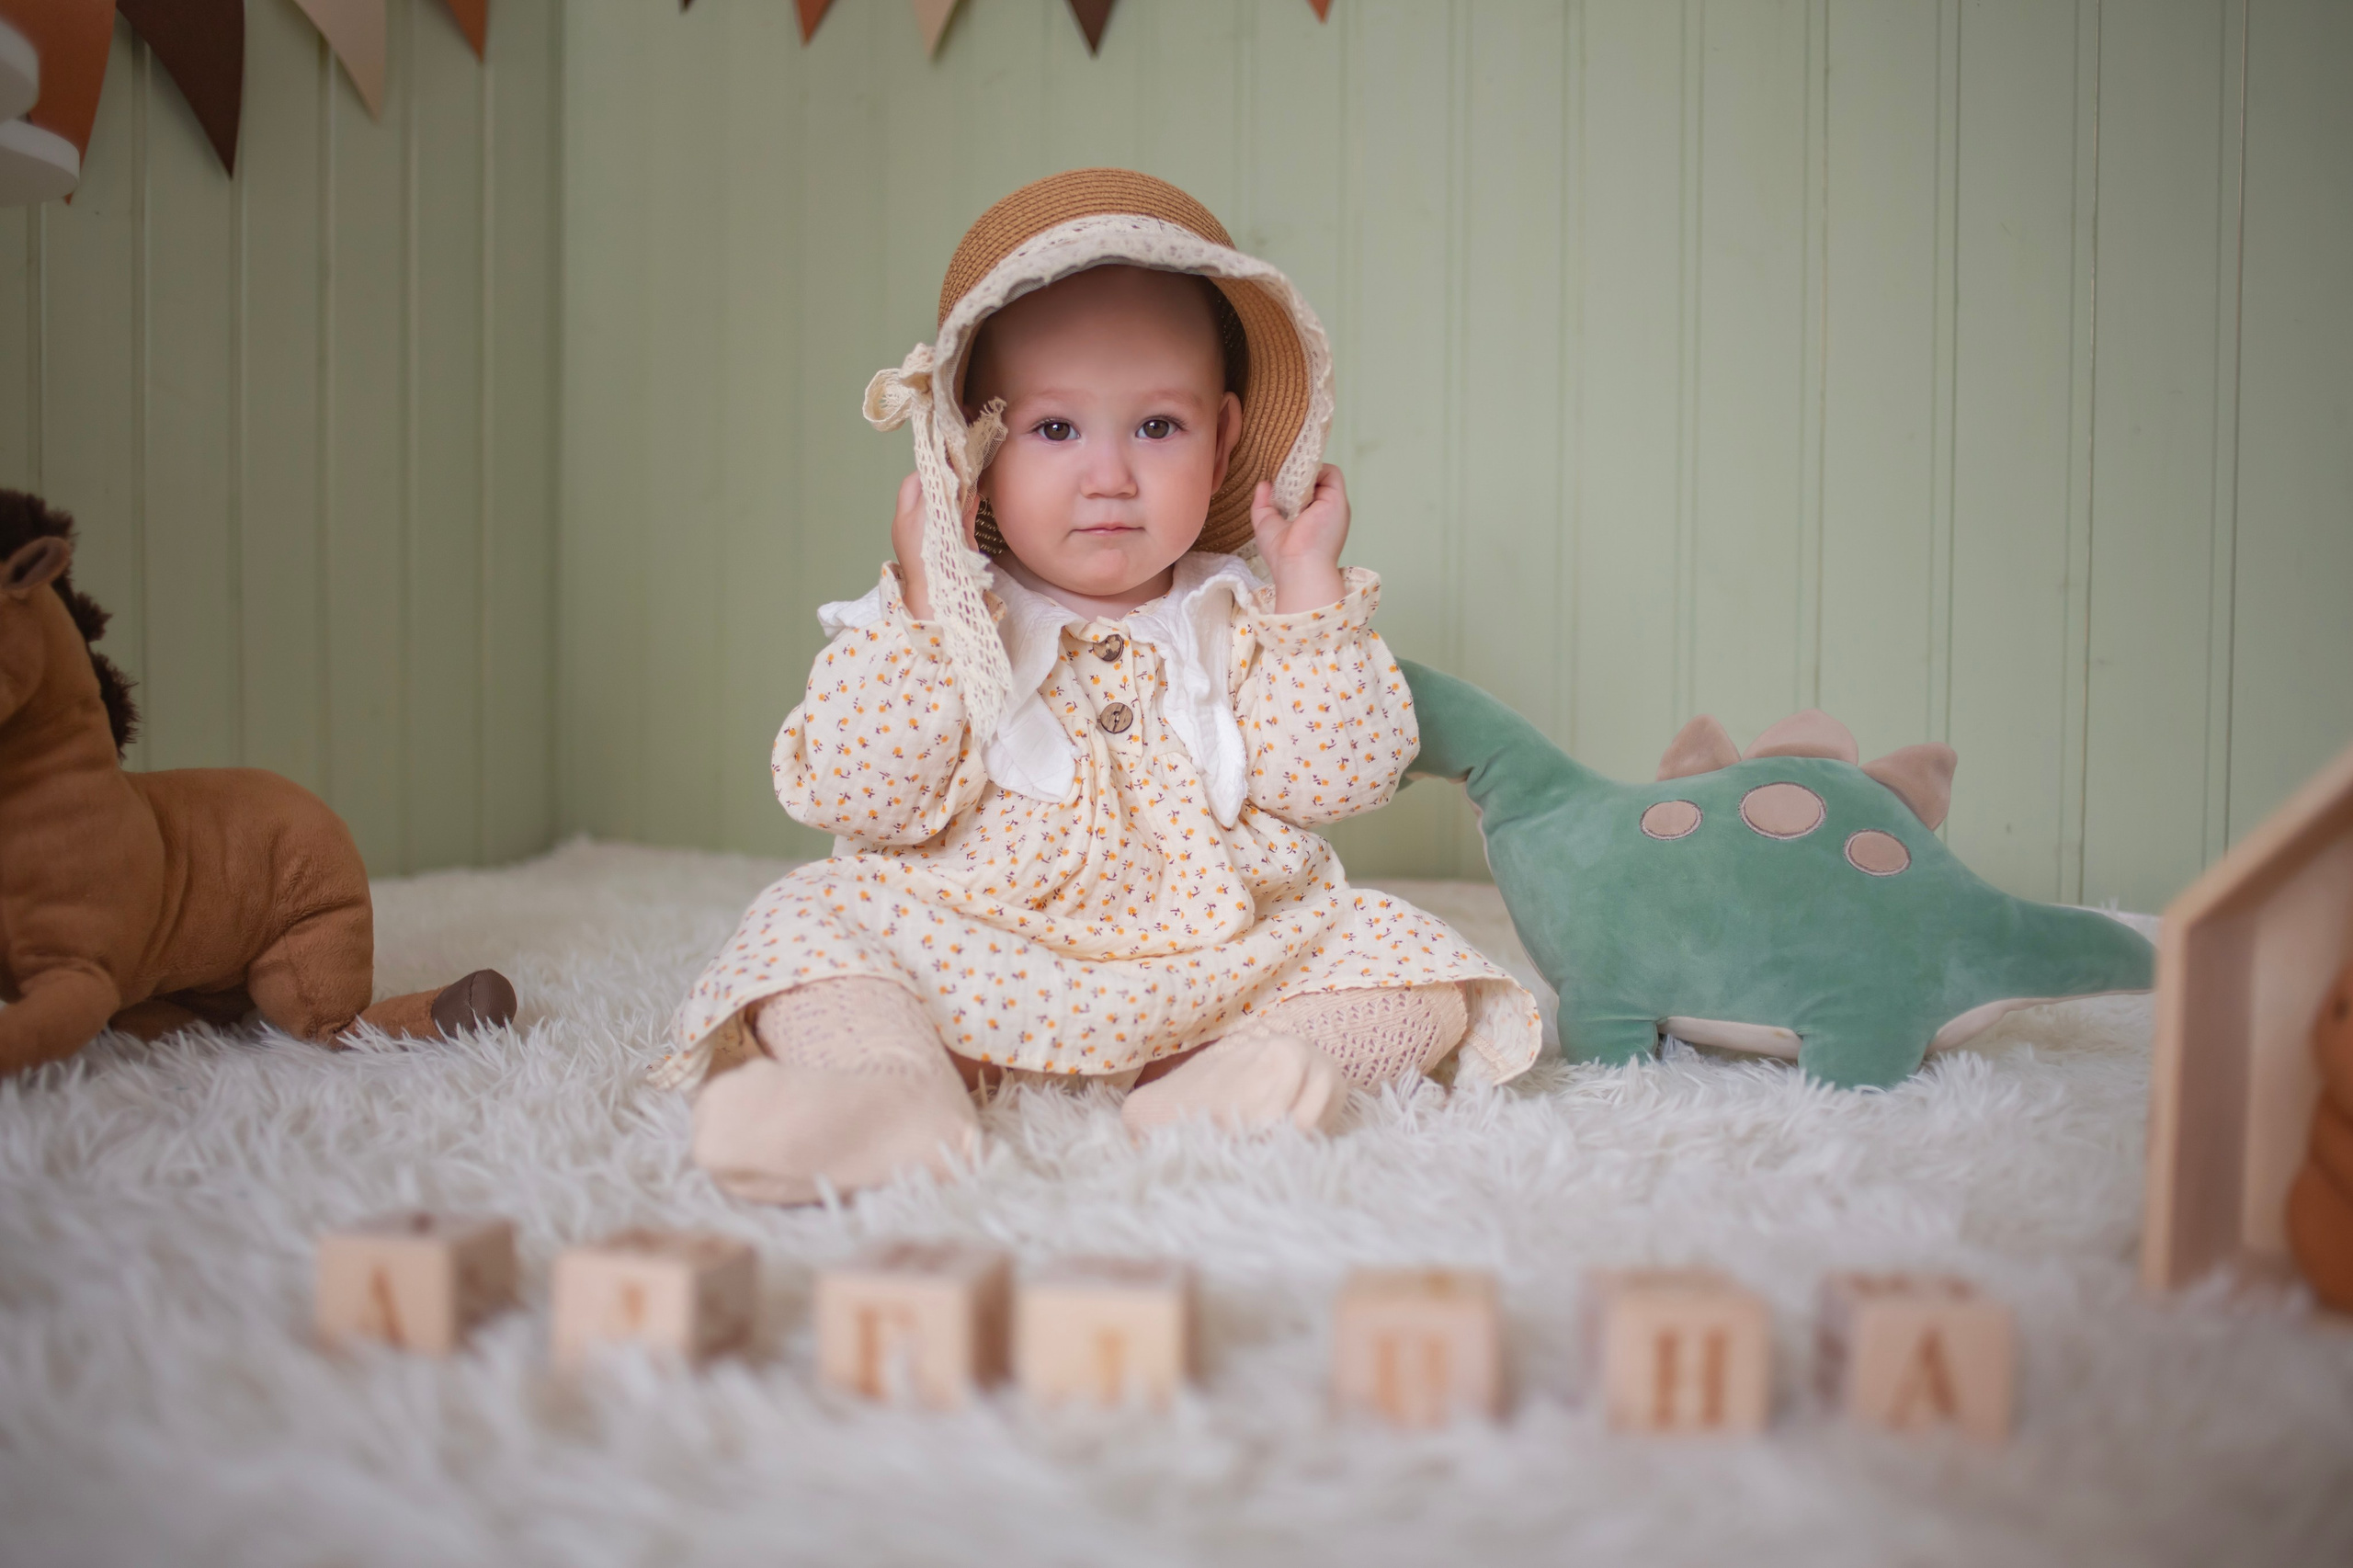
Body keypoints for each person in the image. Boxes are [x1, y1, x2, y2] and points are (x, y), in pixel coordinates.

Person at [663, 169, 1539, 1204]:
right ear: (975, 462)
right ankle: (892, 1089)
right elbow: (864, 797)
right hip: (979, 935)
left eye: (1157, 428)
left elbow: (1335, 782)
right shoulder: (949, 611)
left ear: (1220, 442)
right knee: (805, 923)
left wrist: (1308, 592)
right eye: (1056, 430)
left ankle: (1233, 1079)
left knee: (1413, 966)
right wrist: (923, 601)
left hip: (1210, 956)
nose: (1110, 475)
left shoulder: (1239, 615)